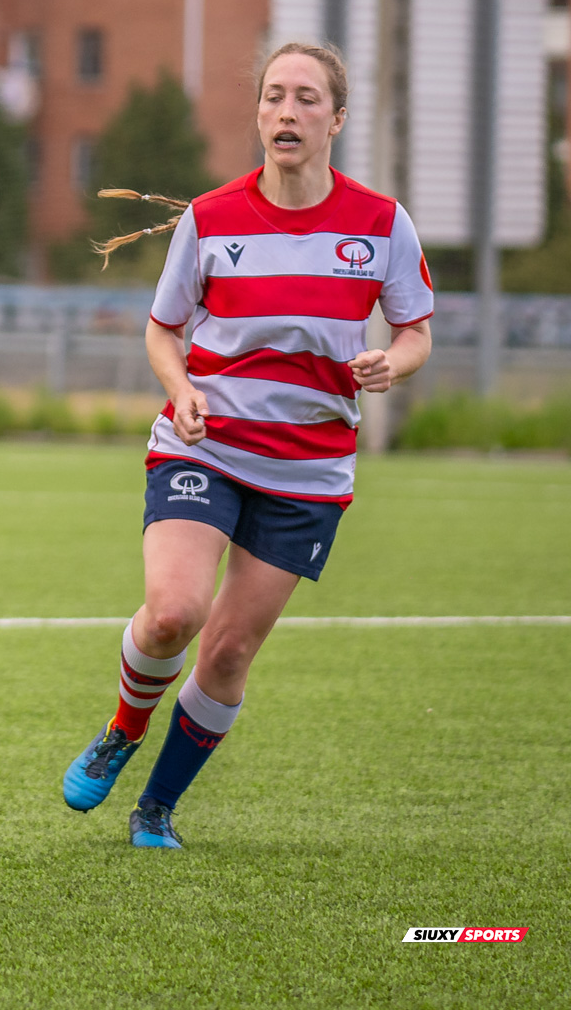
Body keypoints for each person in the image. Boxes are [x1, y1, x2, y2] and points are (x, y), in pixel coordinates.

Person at [59, 42, 434, 848]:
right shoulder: (212, 217)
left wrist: (391, 362)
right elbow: (163, 331)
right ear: (259, 113)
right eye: (273, 96)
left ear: (336, 119)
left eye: (305, 98)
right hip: (207, 445)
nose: (286, 112)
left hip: (309, 470)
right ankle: (125, 727)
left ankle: (156, 808)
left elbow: (416, 330)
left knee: (228, 652)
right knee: (173, 614)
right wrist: (182, 389)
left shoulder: (381, 224)